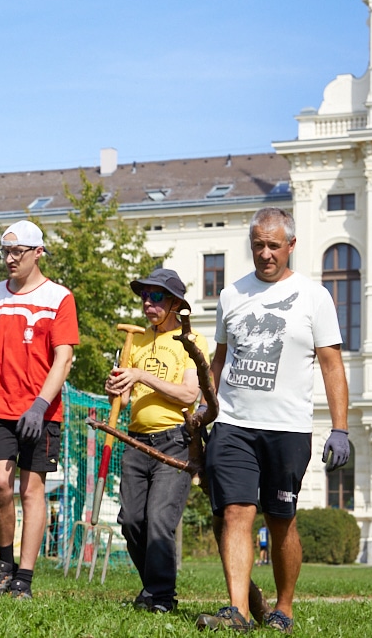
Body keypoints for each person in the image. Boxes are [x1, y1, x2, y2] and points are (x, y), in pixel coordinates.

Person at [196, 207, 349, 633]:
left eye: (273, 246)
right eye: (258, 245)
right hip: (233, 424)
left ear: (291, 246)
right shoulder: (232, 295)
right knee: (236, 512)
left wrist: (340, 428)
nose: (265, 254)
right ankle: (238, 611)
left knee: (281, 520)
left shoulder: (314, 297)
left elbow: (331, 365)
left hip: (288, 428)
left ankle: (284, 607)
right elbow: (219, 360)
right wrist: (205, 409)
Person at [0, 219, 77, 600]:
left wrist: (41, 404)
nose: (10, 259)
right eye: (5, 252)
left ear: (37, 252)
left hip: (40, 411)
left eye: (17, 252)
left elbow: (64, 358)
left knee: (32, 489)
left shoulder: (59, 298)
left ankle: (23, 578)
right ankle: (5, 564)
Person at [104, 268, 201, 613]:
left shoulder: (190, 342)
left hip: (174, 441)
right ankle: (152, 587)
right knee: (131, 520)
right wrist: (117, 387)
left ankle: (161, 597)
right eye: (145, 296)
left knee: (160, 518)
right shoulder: (138, 340)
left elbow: (190, 392)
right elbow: (126, 398)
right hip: (136, 441)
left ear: (175, 303)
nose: (148, 303)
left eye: (156, 296)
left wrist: (142, 374)